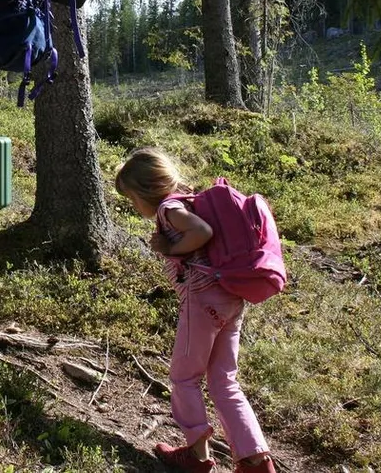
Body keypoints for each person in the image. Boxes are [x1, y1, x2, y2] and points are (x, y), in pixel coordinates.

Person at [115, 147, 276, 473]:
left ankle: (197, 456)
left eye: (132, 199)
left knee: (184, 377)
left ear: (147, 189)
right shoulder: (189, 200)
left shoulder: (169, 208)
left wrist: (172, 247)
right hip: (230, 299)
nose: (134, 206)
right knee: (224, 381)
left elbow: (202, 232)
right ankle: (257, 462)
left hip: (202, 300)